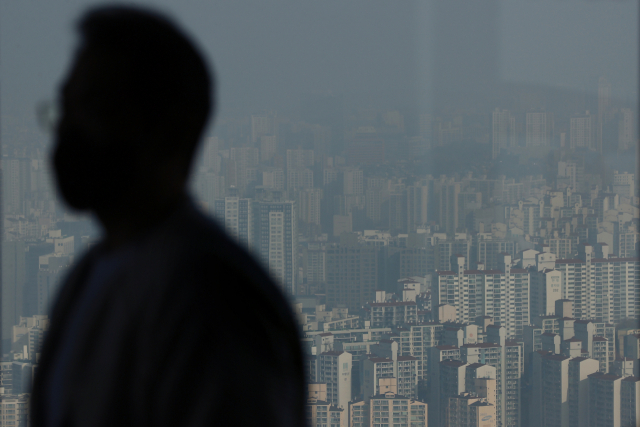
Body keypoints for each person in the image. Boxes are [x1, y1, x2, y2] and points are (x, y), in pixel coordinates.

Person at [30, 5, 306, 427]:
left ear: (168, 129)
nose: (68, 131)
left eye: (91, 108)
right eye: (64, 110)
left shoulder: (208, 294)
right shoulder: (88, 275)